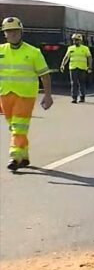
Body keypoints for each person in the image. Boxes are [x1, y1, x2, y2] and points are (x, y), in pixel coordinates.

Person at [0, 17, 54, 171]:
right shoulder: (1, 51)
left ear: (21, 32)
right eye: (9, 31)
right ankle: (24, 156)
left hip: (25, 96)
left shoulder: (33, 52)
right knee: (14, 127)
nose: (12, 34)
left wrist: (48, 95)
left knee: (18, 127)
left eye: (15, 31)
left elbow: (45, 75)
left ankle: (14, 156)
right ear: (5, 34)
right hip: (5, 95)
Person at [60, 33, 92, 103]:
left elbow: (89, 57)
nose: (75, 42)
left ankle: (82, 97)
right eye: (74, 40)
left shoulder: (85, 48)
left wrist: (90, 67)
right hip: (73, 68)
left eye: (77, 40)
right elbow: (66, 57)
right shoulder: (70, 48)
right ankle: (74, 98)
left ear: (80, 40)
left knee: (82, 83)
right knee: (73, 83)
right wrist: (62, 65)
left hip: (82, 68)